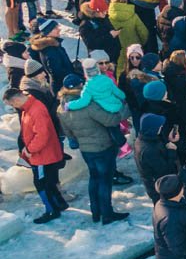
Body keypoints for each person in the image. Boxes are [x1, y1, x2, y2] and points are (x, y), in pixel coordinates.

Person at [57, 68, 130, 224]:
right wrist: (124, 111)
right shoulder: (88, 105)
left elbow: (67, 131)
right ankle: (107, 214)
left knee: (94, 178)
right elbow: (110, 121)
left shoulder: (62, 108)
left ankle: (96, 213)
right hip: (103, 147)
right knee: (105, 180)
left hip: (86, 149)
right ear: (80, 84)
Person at [5, 86, 68, 223]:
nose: (13, 107)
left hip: (42, 155)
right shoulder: (28, 108)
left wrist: (30, 149)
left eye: (12, 104)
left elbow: (42, 135)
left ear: (16, 99)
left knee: (41, 183)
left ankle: (52, 210)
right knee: (49, 181)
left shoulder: (35, 110)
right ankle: (59, 203)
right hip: (42, 153)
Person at [135, 113, 180, 202]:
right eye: (159, 126)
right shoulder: (148, 151)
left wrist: (169, 140)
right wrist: (172, 151)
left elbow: (157, 146)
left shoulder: (145, 138)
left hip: (156, 184)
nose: (161, 127)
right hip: (160, 189)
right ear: (152, 129)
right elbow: (166, 171)